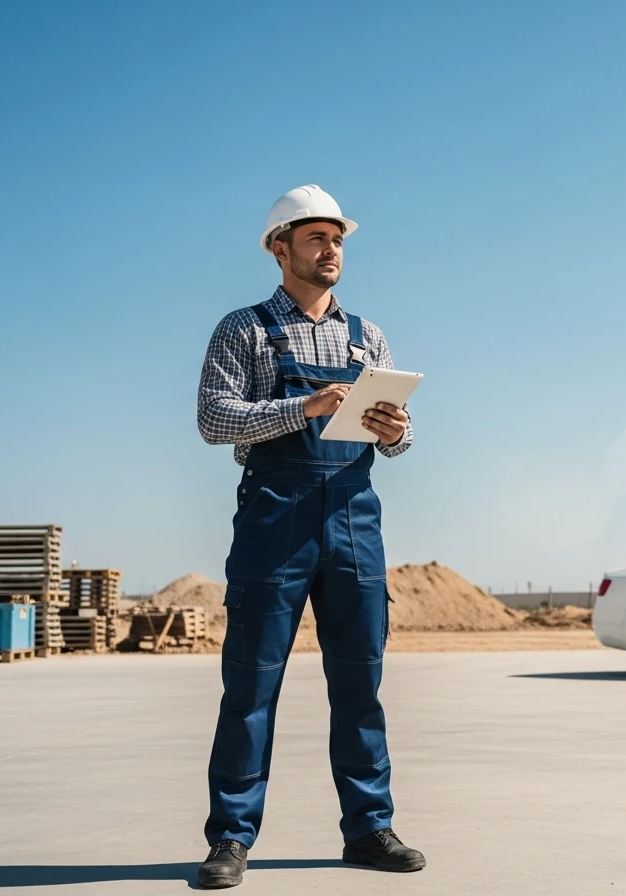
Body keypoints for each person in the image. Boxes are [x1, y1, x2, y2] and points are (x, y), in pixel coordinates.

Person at [193, 185, 424, 888]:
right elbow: (213, 419)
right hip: (274, 520)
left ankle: (369, 829)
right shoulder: (245, 329)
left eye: (339, 240)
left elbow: (398, 442)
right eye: (317, 238)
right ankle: (231, 837)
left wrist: (397, 432)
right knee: (251, 686)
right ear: (279, 248)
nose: (332, 251)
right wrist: (305, 407)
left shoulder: (368, 337)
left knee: (361, 685)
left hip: (354, 520)